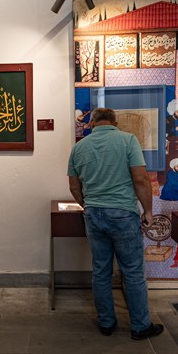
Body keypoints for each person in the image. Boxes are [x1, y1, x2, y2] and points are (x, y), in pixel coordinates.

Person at [67, 107, 164, 340]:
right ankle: (140, 326)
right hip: (122, 214)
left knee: (101, 271)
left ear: (92, 124)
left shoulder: (78, 148)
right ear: (115, 122)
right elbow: (140, 179)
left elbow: (73, 187)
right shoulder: (128, 140)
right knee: (132, 271)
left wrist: (88, 205)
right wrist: (148, 211)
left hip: (93, 214)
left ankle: (106, 323)